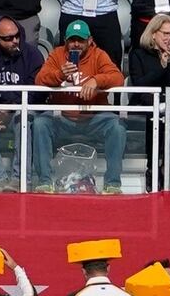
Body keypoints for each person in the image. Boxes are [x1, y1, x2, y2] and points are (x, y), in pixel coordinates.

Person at [32, 20, 126, 194]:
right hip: (62, 117)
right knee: (40, 123)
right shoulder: (57, 54)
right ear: (66, 41)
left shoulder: (98, 55)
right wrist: (59, 75)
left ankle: (112, 184)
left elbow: (118, 77)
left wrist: (96, 80)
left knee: (117, 126)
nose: (76, 44)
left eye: (80, 40)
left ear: (89, 40)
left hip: (94, 116)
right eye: (72, 40)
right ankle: (44, 182)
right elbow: (40, 79)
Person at [0, 16, 45, 192]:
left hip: (20, 110)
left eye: (17, 36)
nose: (15, 41)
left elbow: (37, 92)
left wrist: (11, 107)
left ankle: (20, 179)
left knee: (23, 117)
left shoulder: (32, 55)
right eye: (8, 38)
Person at [130, 14, 170, 191]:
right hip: (143, 105)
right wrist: (161, 66)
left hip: (168, 106)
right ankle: (151, 169)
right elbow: (139, 85)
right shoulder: (137, 54)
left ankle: (166, 167)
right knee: (154, 116)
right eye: (166, 33)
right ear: (153, 34)